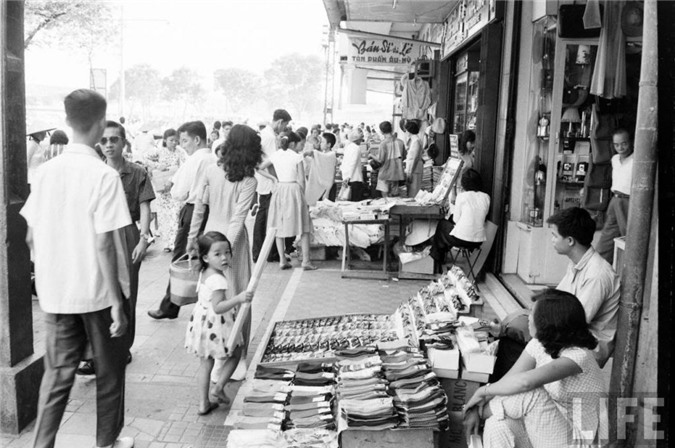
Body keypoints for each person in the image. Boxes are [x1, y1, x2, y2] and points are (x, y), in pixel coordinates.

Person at [21, 89, 134, 448]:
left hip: (56, 294)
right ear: (101, 124)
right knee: (109, 374)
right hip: (97, 294)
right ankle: (106, 443)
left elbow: (29, 235)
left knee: (56, 377)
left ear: (67, 121)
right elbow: (104, 243)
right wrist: (117, 301)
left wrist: (52, 270)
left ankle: (42, 445)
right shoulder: (103, 176)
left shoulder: (44, 173)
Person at [463, 290, 608, 448]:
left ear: (549, 322)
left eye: (532, 312)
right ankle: (474, 415)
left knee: (531, 393)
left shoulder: (579, 356)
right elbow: (509, 380)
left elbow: (525, 383)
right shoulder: (539, 343)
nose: (528, 318)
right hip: (550, 430)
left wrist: (482, 395)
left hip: (581, 440)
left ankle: (466, 416)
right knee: (497, 425)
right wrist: (485, 396)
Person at [491, 207, 620, 380]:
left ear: (570, 241)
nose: (551, 240)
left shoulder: (597, 275)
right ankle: (504, 392)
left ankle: (507, 393)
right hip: (569, 334)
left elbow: (570, 322)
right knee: (512, 330)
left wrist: (526, 326)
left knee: (517, 343)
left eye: (554, 235)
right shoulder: (576, 264)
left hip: (584, 347)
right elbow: (554, 303)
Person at [77, 120, 156, 375]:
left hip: (127, 233)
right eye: (104, 140)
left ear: (124, 142)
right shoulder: (95, 172)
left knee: (127, 294)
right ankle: (94, 352)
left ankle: (123, 347)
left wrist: (144, 238)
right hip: (99, 233)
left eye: (114, 139)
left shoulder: (137, 172)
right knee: (97, 291)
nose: (109, 144)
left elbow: (145, 207)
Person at [187, 124, 262, 389]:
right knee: (240, 297)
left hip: (209, 240)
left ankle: (218, 357)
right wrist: (226, 253)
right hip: (233, 245)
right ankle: (236, 358)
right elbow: (238, 220)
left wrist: (195, 243)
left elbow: (199, 208)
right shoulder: (249, 180)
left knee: (212, 299)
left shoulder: (211, 169)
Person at [148, 121, 216, 320]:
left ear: (196, 139)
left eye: (185, 140)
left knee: (180, 256)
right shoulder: (212, 158)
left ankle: (170, 305)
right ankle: (189, 303)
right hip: (209, 212)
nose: (182, 145)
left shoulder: (195, 159)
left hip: (193, 210)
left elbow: (178, 192)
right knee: (205, 257)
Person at [185, 231, 253, 415]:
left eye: (227, 252)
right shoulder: (219, 279)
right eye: (218, 254)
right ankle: (219, 387)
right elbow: (218, 307)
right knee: (235, 352)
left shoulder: (204, 272)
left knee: (205, 364)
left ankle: (203, 403)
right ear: (206, 257)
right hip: (216, 325)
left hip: (202, 322)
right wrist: (238, 298)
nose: (224, 258)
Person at [257, 130, 318, 271]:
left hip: (280, 189)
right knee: (304, 226)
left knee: (279, 225)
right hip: (294, 189)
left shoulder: (276, 155)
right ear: (293, 143)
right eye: (299, 143)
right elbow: (302, 179)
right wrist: (303, 197)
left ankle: (282, 260)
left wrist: (273, 179)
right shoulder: (297, 157)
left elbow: (259, 168)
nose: (300, 146)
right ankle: (306, 261)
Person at [430, 169, 490, 274]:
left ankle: (437, 258)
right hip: (478, 240)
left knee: (442, 225)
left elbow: (456, 220)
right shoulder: (486, 197)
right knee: (446, 226)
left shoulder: (462, 196)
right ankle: (440, 253)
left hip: (461, 239)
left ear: (464, 184)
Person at [252, 109, 292, 263]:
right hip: (268, 183)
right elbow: (269, 162)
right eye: (285, 125)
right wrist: (276, 179)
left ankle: (263, 252)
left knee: (264, 217)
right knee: (265, 218)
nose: (284, 128)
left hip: (267, 182)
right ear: (280, 121)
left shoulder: (268, 135)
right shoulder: (269, 137)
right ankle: (264, 252)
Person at [595, 128, 633, 264]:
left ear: (631, 142)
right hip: (615, 199)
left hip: (628, 201)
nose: (620, 147)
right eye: (616, 145)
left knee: (628, 237)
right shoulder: (615, 159)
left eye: (624, 143)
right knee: (607, 236)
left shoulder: (637, 160)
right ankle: (599, 267)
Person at [149, 128, 186, 251]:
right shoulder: (159, 152)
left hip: (174, 188)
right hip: (162, 189)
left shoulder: (180, 152)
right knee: (164, 216)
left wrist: (174, 177)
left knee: (175, 214)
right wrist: (157, 165)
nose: (174, 143)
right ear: (165, 140)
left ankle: (174, 242)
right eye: (171, 140)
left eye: (176, 140)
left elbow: (184, 167)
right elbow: (145, 158)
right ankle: (166, 243)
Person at [371, 121, 405, 199]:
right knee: (395, 198)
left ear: (381, 131)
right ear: (391, 129)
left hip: (385, 173)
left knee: (385, 199)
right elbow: (403, 157)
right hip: (396, 173)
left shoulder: (383, 144)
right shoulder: (400, 142)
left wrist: (371, 155)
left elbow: (380, 160)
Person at [305, 131, 338, 205]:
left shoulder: (331, 155)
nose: (320, 143)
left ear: (329, 144)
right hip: (321, 186)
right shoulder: (322, 155)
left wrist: (327, 191)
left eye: (323, 142)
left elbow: (332, 175)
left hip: (328, 187)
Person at [340, 127, 365, 202]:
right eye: (361, 139)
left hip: (347, 178)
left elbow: (345, 163)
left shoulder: (348, 147)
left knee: (349, 202)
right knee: (356, 201)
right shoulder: (356, 148)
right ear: (357, 139)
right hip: (355, 179)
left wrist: (345, 177)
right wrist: (349, 176)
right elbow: (353, 163)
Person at [404, 120, 424, 197]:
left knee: (413, 192)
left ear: (409, 131)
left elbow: (415, 158)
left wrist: (410, 172)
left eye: (406, 130)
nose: (406, 132)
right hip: (412, 168)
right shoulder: (413, 140)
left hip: (414, 169)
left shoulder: (416, 141)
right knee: (410, 191)